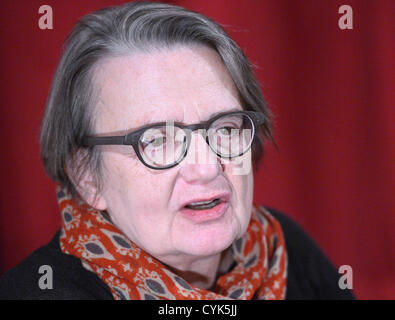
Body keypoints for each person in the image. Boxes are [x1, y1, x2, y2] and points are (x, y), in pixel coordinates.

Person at [0, 1, 354, 300]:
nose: (206, 168)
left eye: (225, 128)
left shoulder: (286, 249)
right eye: (157, 140)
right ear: (87, 176)